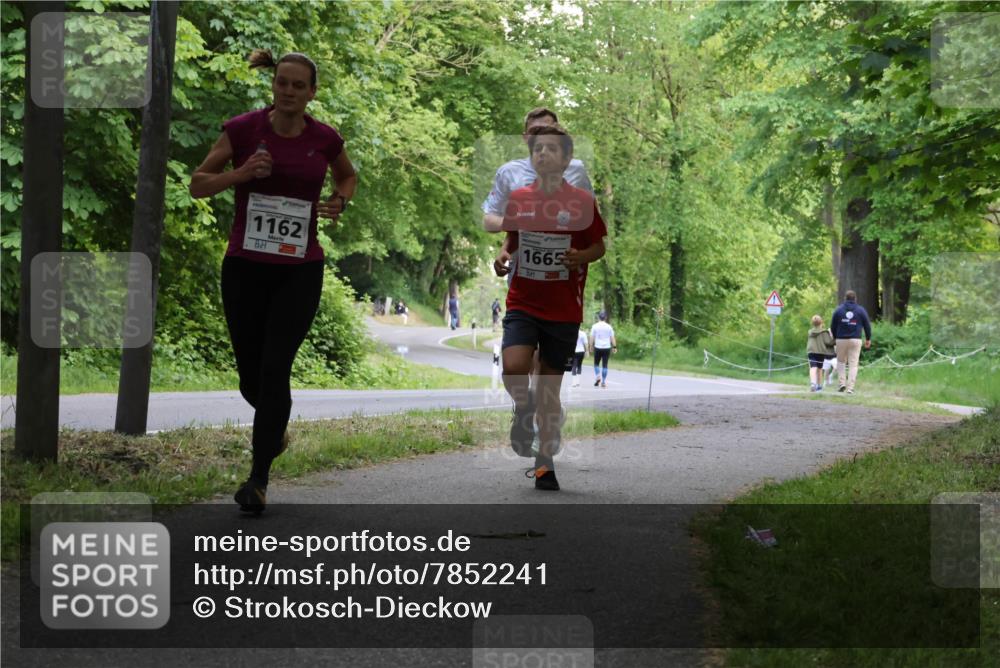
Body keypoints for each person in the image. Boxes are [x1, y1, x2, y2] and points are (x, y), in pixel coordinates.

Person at [190, 49, 357, 513]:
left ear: (311, 93)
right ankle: (274, 428)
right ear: (274, 85)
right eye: (282, 82)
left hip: (300, 269)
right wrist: (240, 174)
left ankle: (257, 480)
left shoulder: (324, 138)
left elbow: (348, 177)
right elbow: (198, 182)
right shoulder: (243, 129)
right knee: (250, 376)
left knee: (274, 367)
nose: (288, 91)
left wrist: (339, 202)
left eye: (298, 85)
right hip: (245, 266)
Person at [500, 123, 607, 491]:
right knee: (514, 367)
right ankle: (522, 408)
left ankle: (545, 465)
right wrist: (501, 257)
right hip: (523, 302)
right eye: (537, 149)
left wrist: (580, 257)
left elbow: (599, 247)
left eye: (550, 149)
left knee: (549, 390)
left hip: (563, 309)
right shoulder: (519, 199)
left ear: (566, 158)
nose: (542, 153)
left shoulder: (581, 202)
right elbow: (510, 242)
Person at [830, 289, 873, 394]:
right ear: (855, 299)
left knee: (840, 362)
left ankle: (841, 383)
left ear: (845, 298)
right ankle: (850, 388)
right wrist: (868, 338)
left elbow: (832, 326)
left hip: (841, 339)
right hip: (855, 339)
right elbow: (867, 325)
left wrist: (835, 337)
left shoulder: (838, 310)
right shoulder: (860, 310)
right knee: (853, 364)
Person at [806, 315, 836, 392]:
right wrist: (834, 339)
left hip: (811, 351)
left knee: (813, 367)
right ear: (821, 322)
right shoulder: (824, 332)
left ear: (813, 323)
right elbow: (829, 342)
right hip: (820, 352)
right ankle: (819, 386)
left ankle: (813, 383)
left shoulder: (810, 332)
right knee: (819, 369)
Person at [590, 312, 617, 387]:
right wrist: (614, 347)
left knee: (596, 364)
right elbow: (612, 338)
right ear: (605, 318)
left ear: (599, 317)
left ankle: (598, 376)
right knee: (605, 365)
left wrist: (590, 346)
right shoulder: (609, 327)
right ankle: (603, 382)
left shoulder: (594, 326)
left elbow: (592, 337)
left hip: (597, 347)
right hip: (606, 348)